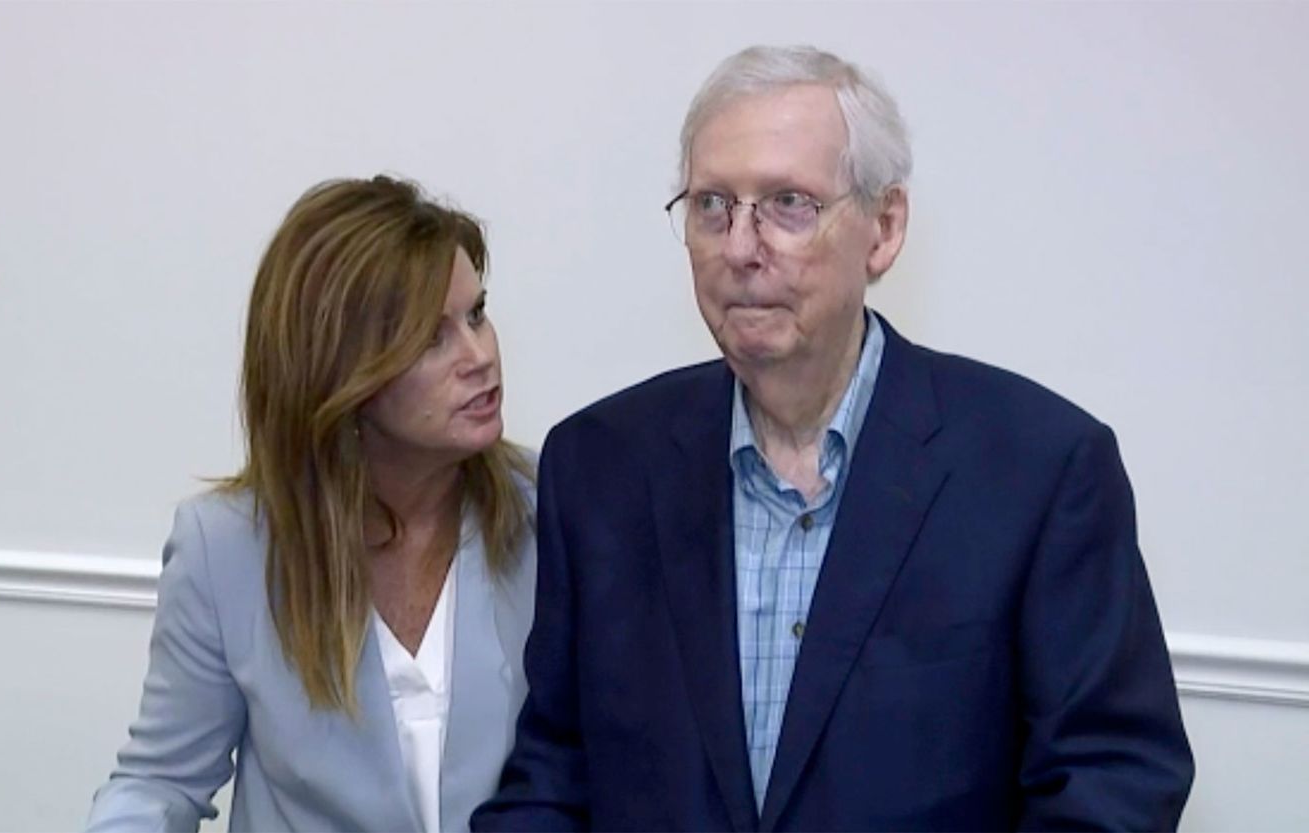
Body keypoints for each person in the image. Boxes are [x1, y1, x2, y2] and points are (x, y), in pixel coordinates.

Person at [473, 45, 1193, 831]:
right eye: (713, 204)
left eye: (788, 203)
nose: (741, 248)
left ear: (883, 229)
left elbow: (1112, 782)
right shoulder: (601, 462)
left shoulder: (1040, 468)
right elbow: (555, 769)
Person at [87, 175, 536, 832]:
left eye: (477, 314)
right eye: (431, 338)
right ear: (340, 372)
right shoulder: (226, 546)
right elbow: (158, 783)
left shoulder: (550, 509)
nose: (481, 356)